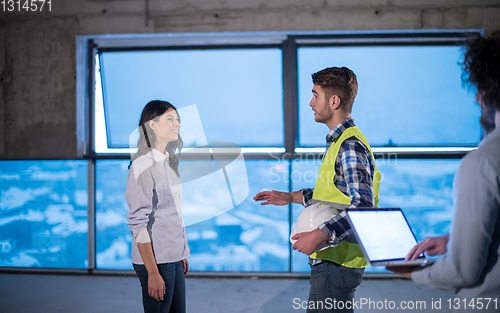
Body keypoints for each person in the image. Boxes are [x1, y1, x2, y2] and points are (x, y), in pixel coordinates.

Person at [388, 30, 500, 311]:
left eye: (478, 88)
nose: (476, 98)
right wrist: (454, 241)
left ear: (488, 90)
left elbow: (463, 271)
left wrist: (414, 272)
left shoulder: (483, 163)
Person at [254, 67, 380, 313]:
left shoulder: (349, 146)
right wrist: (290, 197)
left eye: (315, 95)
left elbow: (363, 207)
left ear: (334, 101)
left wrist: (318, 235)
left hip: (339, 261)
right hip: (332, 260)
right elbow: (334, 194)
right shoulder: (340, 142)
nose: (310, 103)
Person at [125, 100, 190, 313]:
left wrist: (182, 252)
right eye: (169, 119)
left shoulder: (168, 162)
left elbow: (173, 214)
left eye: (177, 119)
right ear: (152, 125)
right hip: (156, 260)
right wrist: (152, 273)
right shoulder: (142, 166)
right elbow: (138, 223)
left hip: (172, 255)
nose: (177, 123)